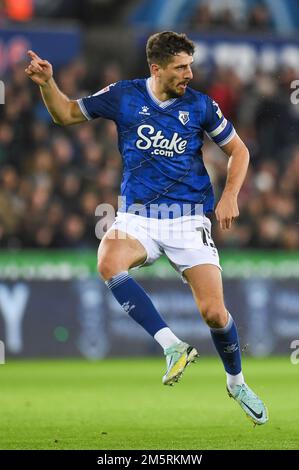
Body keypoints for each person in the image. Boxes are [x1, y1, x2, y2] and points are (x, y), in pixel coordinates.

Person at [25, 31, 268, 425]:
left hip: (188, 219)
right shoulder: (124, 95)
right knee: (107, 260)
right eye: (180, 67)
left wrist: (230, 196)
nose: (189, 73)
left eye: (190, 65)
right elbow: (66, 114)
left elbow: (239, 150)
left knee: (214, 314)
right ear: (156, 68)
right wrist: (48, 84)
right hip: (138, 216)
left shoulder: (201, 106)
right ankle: (172, 346)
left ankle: (236, 381)